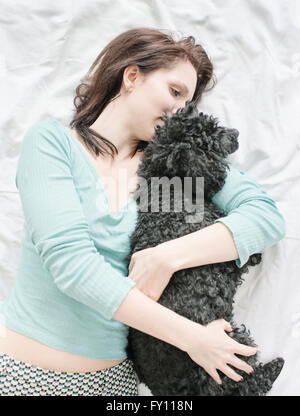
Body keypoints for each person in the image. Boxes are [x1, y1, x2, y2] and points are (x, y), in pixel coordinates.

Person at [0, 27, 285, 396]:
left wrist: (166, 257)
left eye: (188, 104)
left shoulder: (172, 167)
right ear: (132, 76)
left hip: (116, 385)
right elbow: (71, 266)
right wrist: (193, 339)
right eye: (174, 91)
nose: (179, 110)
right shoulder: (52, 144)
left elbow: (264, 216)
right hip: (26, 373)